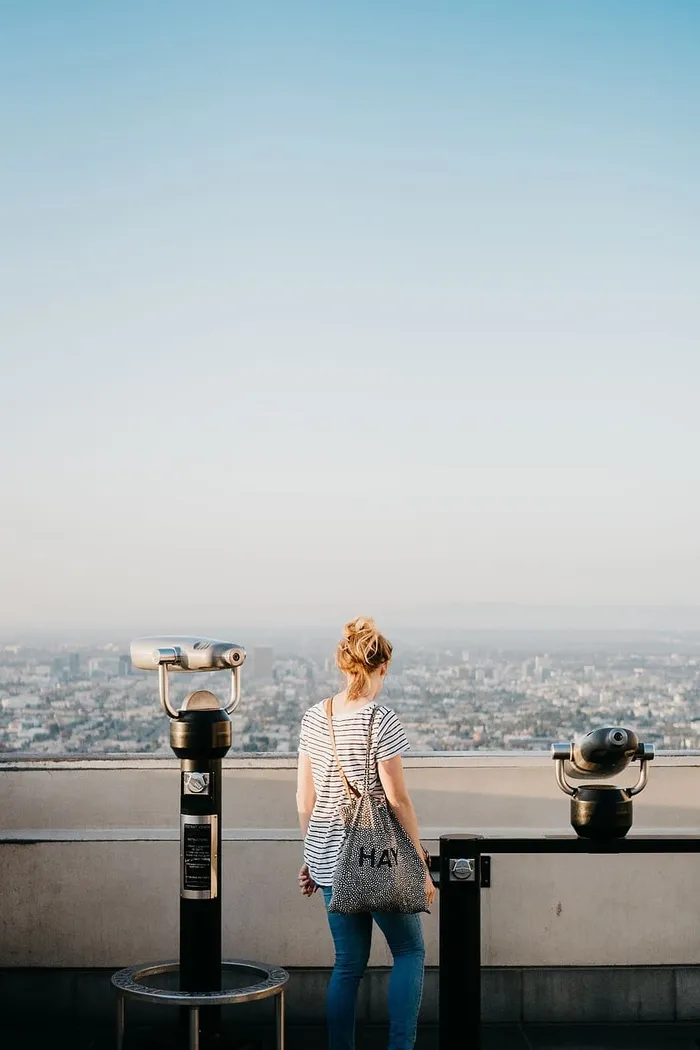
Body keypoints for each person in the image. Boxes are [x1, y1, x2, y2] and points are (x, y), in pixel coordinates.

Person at [296, 617, 435, 1050]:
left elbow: (305, 797)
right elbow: (397, 800)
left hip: (329, 860)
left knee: (348, 965)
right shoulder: (382, 720)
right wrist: (420, 864)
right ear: (383, 666)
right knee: (409, 952)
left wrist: (311, 855)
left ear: (344, 665)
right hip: (378, 859)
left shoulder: (316, 716)